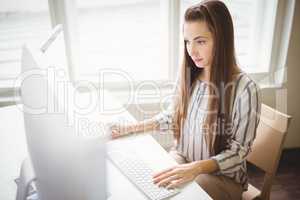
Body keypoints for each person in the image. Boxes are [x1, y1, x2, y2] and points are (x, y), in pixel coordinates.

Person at [109, 0, 261, 199]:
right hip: (183, 159)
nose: (192, 50)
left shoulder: (246, 90)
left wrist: (196, 168)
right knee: (151, 182)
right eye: (187, 41)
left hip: (223, 178)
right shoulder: (190, 75)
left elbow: (238, 152)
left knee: (181, 194)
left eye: (200, 41)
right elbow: (173, 116)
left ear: (222, 39)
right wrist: (131, 128)